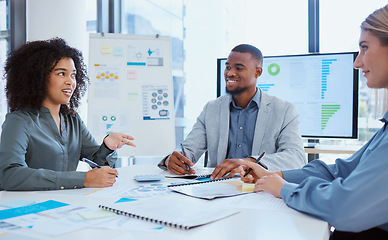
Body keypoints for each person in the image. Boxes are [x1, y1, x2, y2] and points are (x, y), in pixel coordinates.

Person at [239, 5, 388, 239]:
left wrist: (285, 189)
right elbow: (344, 170)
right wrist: (278, 175)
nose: (356, 63)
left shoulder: (285, 110)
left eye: (365, 48)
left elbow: (345, 206)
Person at [0, 38, 136, 191]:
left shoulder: (72, 119)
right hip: (27, 208)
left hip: (64, 206)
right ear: (38, 77)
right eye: (61, 74)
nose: (70, 82)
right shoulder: (19, 121)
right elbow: (9, 175)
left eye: (73, 75)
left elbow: (96, 160)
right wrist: (82, 179)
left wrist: (107, 146)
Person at [158, 44, 307, 179]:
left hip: (260, 189)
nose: (230, 73)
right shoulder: (212, 108)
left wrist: (249, 162)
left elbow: (296, 157)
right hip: (216, 188)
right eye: (228, 67)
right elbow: (189, 148)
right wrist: (173, 159)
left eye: (239, 68)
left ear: (258, 72)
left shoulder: (284, 110)